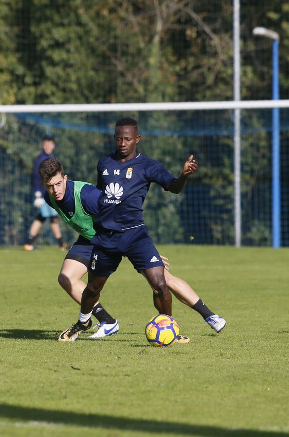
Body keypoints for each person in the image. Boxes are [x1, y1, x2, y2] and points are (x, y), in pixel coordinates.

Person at [59, 117, 225, 341]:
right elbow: (103, 196)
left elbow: (174, 187)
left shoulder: (148, 166)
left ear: (138, 139)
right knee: (93, 288)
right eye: (118, 138)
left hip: (136, 235)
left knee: (160, 284)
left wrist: (183, 175)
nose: (122, 143)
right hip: (106, 237)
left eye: (127, 138)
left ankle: (170, 329)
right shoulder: (104, 163)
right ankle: (83, 321)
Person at [23, 136, 66, 251]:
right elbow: (36, 177)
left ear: (53, 146)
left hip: (48, 194)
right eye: (45, 144)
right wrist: (37, 194)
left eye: (50, 144)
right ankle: (61, 245)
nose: (47, 146)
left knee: (44, 218)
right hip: (44, 195)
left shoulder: (50, 158)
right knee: (51, 218)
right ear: (43, 145)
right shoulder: (41, 160)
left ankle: (29, 243)